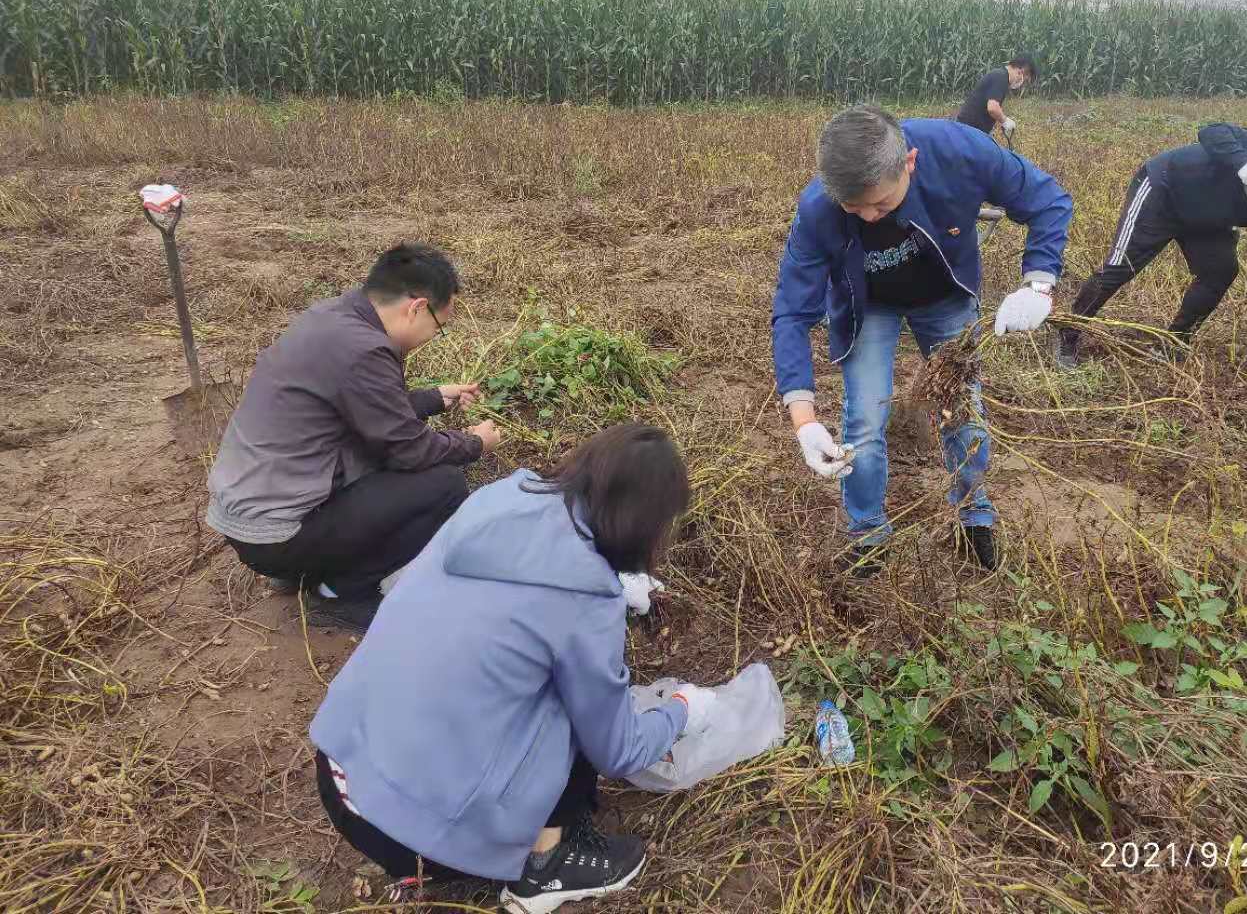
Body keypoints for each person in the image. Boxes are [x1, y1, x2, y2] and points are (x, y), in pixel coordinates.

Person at [308, 424, 716, 912]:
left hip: (339, 770)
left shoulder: (500, 497)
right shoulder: (586, 603)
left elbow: (515, 600)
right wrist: (681, 712)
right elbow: (618, 750)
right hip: (409, 834)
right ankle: (547, 866)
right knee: (576, 699)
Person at [771, 105, 1073, 575]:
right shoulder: (819, 209)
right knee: (865, 424)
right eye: (856, 209)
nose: (870, 218)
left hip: (945, 297)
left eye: (882, 204)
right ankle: (867, 532)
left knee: (964, 413)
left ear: (909, 162)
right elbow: (792, 312)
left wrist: (1039, 283)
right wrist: (804, 419)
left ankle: (974, 515)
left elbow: (1049, 199)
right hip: (867, 305)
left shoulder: (959, 151)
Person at [205, 243, 500, 631]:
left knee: (375, 462)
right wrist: (475, 443)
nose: (433, 336)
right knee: (443, 484)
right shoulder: (364, 350)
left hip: (247, 520)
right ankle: (340, 593)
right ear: (416, 308)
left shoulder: (330, 318)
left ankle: (298, 572)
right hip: (277, 536)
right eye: (438, 327)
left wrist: (434, 398)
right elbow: (409, 451)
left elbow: (362, 409)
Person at [1056, 124, 1247, 367]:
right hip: (1165, 189)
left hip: (1208, 219)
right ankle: (1067, 335)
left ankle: (1173, 344)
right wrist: (1245, 161)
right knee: (1121, 268)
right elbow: (1212, 131)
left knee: (1220, 271)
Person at [954, 54, 1037, 139]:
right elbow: (993, 108)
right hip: (968, 131)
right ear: (1020, 72)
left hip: (973, 130)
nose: (1021, 83)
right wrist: (1005, 121)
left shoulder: (1001, 76)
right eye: (1024, 80)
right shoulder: (1000, 77)